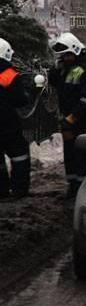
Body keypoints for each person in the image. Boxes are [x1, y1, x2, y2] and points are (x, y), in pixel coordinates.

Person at [48, 33, 86, 199]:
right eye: (62, 56)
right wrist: (56, 68)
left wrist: (72, 118)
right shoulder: (67, 69)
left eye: (66, 55)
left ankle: (83, 190)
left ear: (76, 52)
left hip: (82, 121)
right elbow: (54, 82)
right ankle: (73, 187)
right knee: (70, 153)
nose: (64, 59)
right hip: (68, 121)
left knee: (81, 155)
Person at [0, 38, 31, 199]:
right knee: (20, 154)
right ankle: (19, 189)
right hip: (7, 123)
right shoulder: (8, 74)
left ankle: (2, 191)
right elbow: (20, 100)